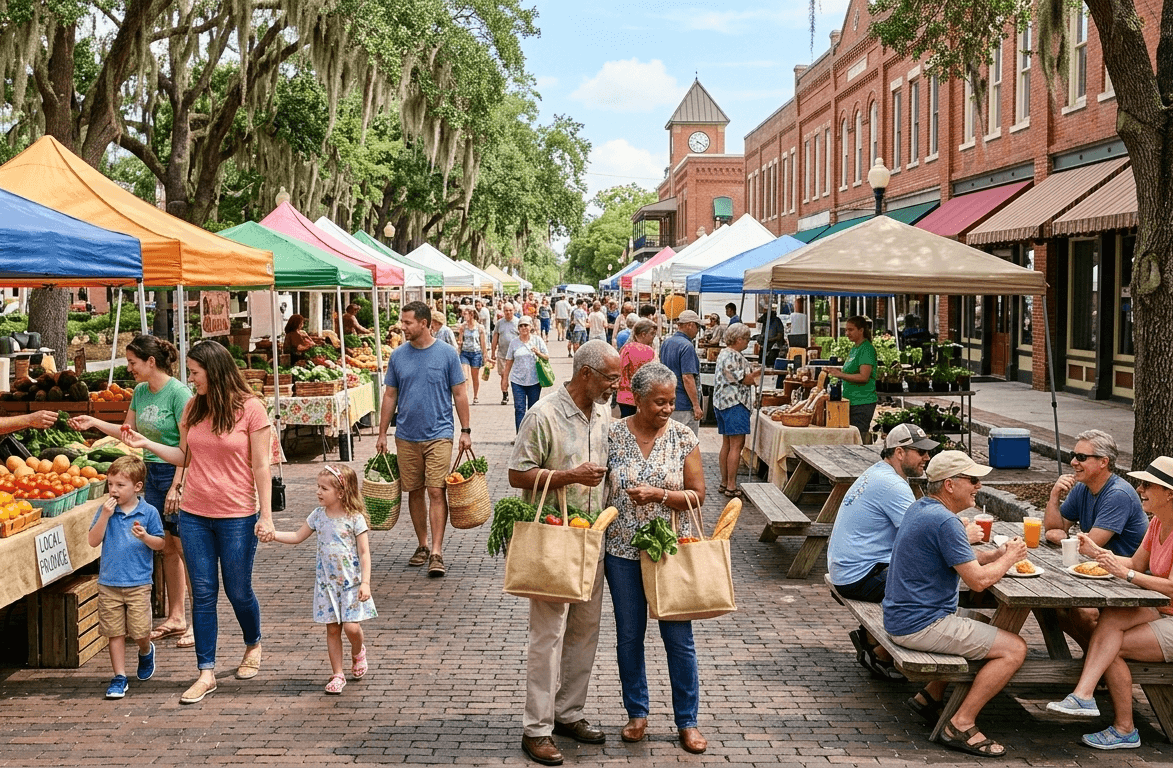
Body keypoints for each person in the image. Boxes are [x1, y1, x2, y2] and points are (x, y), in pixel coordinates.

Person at [122, 340, 275, 706]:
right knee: (203, 594)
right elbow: (184, 456)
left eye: (195, 372)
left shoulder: (252, 410)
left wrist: (266, 515)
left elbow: (261, 467)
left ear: (215, 371)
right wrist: (148, 443)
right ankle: (206, 672)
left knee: (238, 590)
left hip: (238, 514)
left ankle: (253, 643)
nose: (190, 379)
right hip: (193, 514)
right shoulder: (194, 406)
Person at [508, 340, 619, 766]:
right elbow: (518, 473)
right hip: (555, 541)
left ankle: (569, 713)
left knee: (584, 633)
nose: (615, 384)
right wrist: (569, 476)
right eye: (610, 377)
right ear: (586, 374)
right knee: (548, 637)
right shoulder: (543, 414)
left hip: (593, 540)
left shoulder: (604, 412)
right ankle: (536, 729)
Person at [883, 451, 1028, 757]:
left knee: (989, 627)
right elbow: (977, 582)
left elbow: (960, 557)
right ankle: (960, 724)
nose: (978, 486)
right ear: (949, 485)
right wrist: (1011, 558)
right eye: (972, 480)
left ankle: (930, 697)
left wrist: (995, 556)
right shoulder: (945, 521)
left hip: (902, 616)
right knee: (1014, 648)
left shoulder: (923, 508)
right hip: (919, 625)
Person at [602, 362, 708, 754]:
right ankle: (637, 713)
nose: (667, 408)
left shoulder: (683, 437)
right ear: (638, 400)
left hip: (670, 552)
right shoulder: (613, 434)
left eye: (671, 401)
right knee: (629, 637)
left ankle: (688, 722)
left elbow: (698, 494)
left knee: (679, 639)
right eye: (658, 402)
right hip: (622, 551)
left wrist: (661, 495)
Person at [70, 335, 193, 649]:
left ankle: (197, 620)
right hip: (147, 472)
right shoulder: (140, 391)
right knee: (165, 546)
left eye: (133, 362)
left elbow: (188, 446)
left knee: (184, 548)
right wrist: (93, 422)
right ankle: (176, 616)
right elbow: (129, 433)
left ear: (151, 362)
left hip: (174, 471)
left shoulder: (178, 393)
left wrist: (177, 485)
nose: (130, 368)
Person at [1045, 456, 1173, 750]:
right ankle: (1084, 696)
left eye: (1147, 485)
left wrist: (1124, 574)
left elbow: (1169, 586)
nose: (1140, 489)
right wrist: (1096, 553)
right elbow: (1138, 564)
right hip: (1161, 609)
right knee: (1111, 618)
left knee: (1111, 648)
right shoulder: (1157, 524)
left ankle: (1125, 728)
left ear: (1169, 493)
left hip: (1170, 614)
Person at [827, 424, 970, 684]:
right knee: (934, 585)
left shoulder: (879, 473)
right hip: (859, 577)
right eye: (921, 452)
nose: (927, 458)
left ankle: (877, 644)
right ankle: (885, 648)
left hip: (850, 569)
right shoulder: (893, 485)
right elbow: (921, 535)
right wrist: (962, 536)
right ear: (900, 453)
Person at [377, 301, 471, 578]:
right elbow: (390, 396)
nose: (402, 327)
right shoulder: (397, 356)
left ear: (424, 323)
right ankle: (422, 544)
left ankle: (437, 551)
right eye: (402, 322)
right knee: (414, 490)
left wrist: (465, 431)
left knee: (435, 490)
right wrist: (382, 432)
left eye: (407, 323)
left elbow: (460, 393)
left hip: (439, 434)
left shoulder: (447, 354)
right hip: (406, 435)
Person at [270, 465, 376, 695]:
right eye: (318, 487)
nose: (318, 492)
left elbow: (364, 552)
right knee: (332, 629)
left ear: (341, 492)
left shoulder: (354, 518)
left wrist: (365, 582)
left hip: (351, 584)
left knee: (351, 627)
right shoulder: (317, 516)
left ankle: (358, 652)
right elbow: (297, 536)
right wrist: (274, 535)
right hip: (327, 585)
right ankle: (337, 673)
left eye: (324, 488)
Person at [1043, 429, 1147, 646]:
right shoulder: (1082, 488)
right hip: (1098, 573)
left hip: (1128, 579)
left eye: (1081, 457)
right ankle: (1098, 661)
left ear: (1103, 462)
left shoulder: (1118, 494)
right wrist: (1054, 497)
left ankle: (1106, 661)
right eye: (1074, 455)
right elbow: (1053, 529)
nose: (1073, 462)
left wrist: (1064, 537)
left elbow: (1088, 545)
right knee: (1052, 609)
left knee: (1082, 612)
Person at [87, 455, 165, 699]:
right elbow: (93, 540)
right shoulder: (105, 511)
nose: (114, 490)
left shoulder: (148, 512)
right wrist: (104, 517)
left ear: (137, 487)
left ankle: (145, 651)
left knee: (140, 632)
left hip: (138, 583)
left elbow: (160, 543)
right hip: (109, 582)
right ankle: (119, 677)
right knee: (114, 632)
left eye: (120, 485)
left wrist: (145, 537)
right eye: (110, 484)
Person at [712, 323, 760, 499]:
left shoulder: (724, 353)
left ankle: (724, 482)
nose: (747, 343)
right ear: (739, 339)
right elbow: (744, 380)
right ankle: (731, 486)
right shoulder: (733, 356)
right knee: (736, 446)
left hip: (722, 403)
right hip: (735, 404)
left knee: (727, 444)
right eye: (746, 339)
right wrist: (758, 374)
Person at [825, 316, 877, 443]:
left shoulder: (867, 349)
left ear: (861, 330)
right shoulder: (855, 348)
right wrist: (835, 372)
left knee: (857, 441)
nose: (847, 333)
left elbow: (864, 377)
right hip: (850, 401)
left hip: (862, 403)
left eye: (851, 330)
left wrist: (840, 375)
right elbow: (850, 372)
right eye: (846, 330)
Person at [658, 310, 703, 436]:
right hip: (683, 403)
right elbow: (688, 377)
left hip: (669, 399)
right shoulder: (687, 346)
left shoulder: (667, 342)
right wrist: (696, 405)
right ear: (690, 325)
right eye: (697, 326)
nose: (697, 330)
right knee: (685, 445)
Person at [503, 316, 550, 432]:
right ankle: (520, 435)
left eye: (526, 325)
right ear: (518, 328)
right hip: (517, 380)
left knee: (533, 410)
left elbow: (547, 357)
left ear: (531, 327)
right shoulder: (514, 343)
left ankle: (531, 435)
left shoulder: (537, 340)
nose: (524, 328)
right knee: (519, 408)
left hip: (534, 380)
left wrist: (538, 352)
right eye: (521, 326)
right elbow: (508, 361)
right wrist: (504, 380)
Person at [617, 320, 656, 419]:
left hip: (623, 396)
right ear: (643, 334)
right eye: (652, 334)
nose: (653, 338)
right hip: (640, 398)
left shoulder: (624, 349)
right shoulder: (648, 351)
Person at [491, 302, 521, 406]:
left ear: (514, 311)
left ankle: (518, 396)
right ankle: (505, 394)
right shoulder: (499, 323)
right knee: (504, 375)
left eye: (510, 310)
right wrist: (493, 351)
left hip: (516, 356)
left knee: (516, 376)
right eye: (506, 310)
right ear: (503, 311)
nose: (508, 312)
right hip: (502, 355)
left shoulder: (518, 322)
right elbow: (495, 337)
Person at [458, 306, 488, 404]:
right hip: (465, 353)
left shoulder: (479, 327)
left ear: (472, 314)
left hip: (476, 353)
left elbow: (483, 343)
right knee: (465, 376)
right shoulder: (463, 327)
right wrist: (458, 352)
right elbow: (460, 342)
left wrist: (485, 355)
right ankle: (465, 396)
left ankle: (475, 396)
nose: (464, 316)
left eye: (466, 314)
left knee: (475, 377)